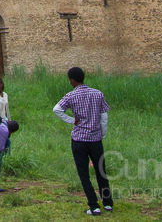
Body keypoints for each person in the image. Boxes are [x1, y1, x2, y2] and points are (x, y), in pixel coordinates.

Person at [53, 67, 113, 216]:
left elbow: (57, 109)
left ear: (72, 80)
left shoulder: (71, 96)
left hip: (79, 140)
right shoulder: (97, 93)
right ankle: (107, 203)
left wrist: (72, 120)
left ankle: (94, 206)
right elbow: (104, 117)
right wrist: (102, 134)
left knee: (84, 174)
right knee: (101, 171)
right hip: (95, 139)